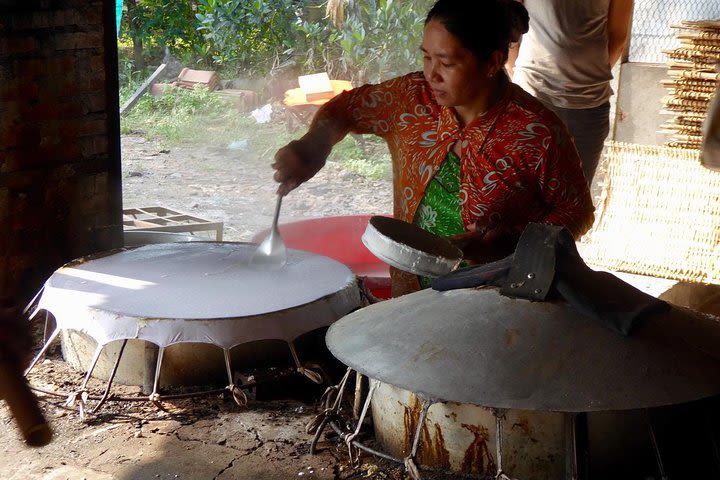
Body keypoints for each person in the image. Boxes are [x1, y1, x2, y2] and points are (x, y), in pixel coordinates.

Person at [273, 0, 595, 296]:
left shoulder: (536, 131)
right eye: (426, 57)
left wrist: (514, 239)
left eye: (446, 62)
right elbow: (346, 109)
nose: (431, 74)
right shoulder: (410, 99)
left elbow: (576, 212)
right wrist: (314, 146)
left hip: (494, 304)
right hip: (407, 298)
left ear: (492, 62)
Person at [508, 0, 634, 182]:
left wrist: (589, 78)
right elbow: (507, 24)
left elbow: (618, 38)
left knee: (575, 196)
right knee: (524, 190)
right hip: (534, 95)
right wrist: (516, 75)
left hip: (589, 106)